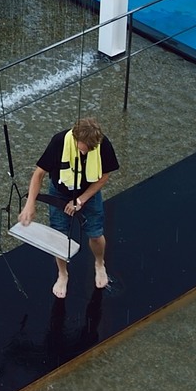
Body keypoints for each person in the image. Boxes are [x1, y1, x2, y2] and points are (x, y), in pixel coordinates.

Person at [21, 116, 118, 298]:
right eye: (84, 148)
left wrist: (81, 200)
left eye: (91, 150)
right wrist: (29, 204)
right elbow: (39, 174)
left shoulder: (102, 144)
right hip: (60, 191)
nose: (86, 153)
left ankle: (99, 263)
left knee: (96, 234)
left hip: (88, 192)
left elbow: (104, 175)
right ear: (75, 139)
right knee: (59, 238)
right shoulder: (59, 141)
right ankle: (63, 274)